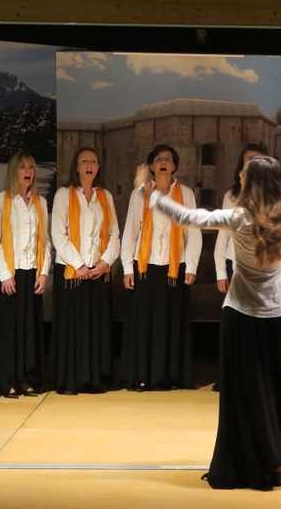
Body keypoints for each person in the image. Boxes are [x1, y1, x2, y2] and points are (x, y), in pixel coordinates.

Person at [145, 155, 281, 490]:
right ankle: (279, 458)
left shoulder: (238, 216)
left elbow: (190, 217)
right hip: (278, 316)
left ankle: (253, 459)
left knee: (248, 392)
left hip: (242, 316)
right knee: (278, 390)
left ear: (253, 184)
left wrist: (155, 197)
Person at [212, 144, 281, 391]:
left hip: (271, 270)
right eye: (247, 161)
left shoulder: (280, 198)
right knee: (241, 327)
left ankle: (269, 382)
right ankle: (238, 380)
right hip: (238, 264)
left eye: (257, 160)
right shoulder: (231, 196)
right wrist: (220, 270)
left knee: (268, 330)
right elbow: (223, 234)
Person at [120, 144, 201, 390]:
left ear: (175, 166)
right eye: (158, 159)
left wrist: (192, 266)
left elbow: (194, 232)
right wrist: (126, 268)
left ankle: (170, 376)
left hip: (175, 266)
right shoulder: (140, 194)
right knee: (144, 323)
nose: (163, 162)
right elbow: (131, 231)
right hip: (145, 267)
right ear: (152, 166)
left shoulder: (186, 194)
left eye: (168, 159)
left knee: (172, 323)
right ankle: (144, 375)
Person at [49, 147, 120, 394]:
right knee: (73, 328)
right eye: (84, 161)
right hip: (72, 272)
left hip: (97, 272)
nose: (89, 165)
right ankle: (71, 380)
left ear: (98, 168)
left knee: (95, 328)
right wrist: (79, 265)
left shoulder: (106, 196)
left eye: (93, 161)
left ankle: (95, 378)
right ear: (76, 167)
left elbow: (114, 234)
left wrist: (105, 263)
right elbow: (58, 234)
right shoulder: (63, 194)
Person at [0, 151, 51, 397]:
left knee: (28, 330)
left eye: (32, 167)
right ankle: (8, 380)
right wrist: (5, 275)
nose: (28, 172)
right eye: (23, 167)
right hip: (9, 274)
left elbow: (45, 241)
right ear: (14, 172)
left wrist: (44, 273)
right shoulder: (0, 201)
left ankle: (26, 377)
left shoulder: (40, 203)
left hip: (31, 273)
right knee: (9, 331)